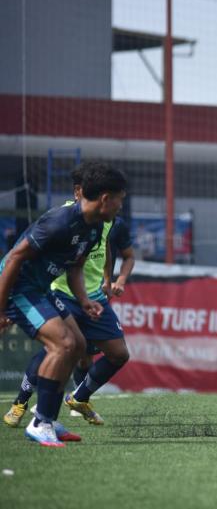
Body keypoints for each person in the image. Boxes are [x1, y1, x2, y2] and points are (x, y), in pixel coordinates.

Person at [0, 162, 126, 446]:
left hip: (41, 288)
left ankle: (48, 419)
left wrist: (83, 300)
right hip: (19, 288)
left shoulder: (94, 228)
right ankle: (39, 422)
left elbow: (75, 267)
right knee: (63, 345)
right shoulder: (59, 222)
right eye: (120, 199)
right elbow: (15, 258)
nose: (121, 206)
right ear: (105, 198)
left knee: (79, 346)